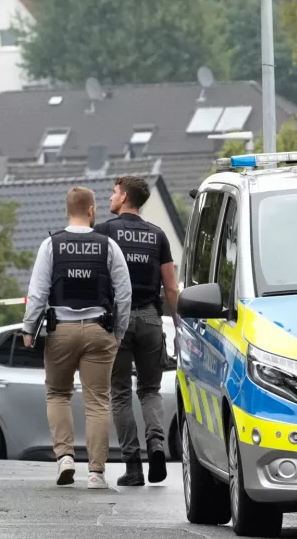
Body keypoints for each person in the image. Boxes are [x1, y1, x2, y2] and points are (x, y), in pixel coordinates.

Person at [21, 187, 131, 489]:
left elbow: (38, 292)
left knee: (58, 394)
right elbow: (124, 292)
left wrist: (29, 329)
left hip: (60, 331)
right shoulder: (108, 246)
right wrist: (119, 331)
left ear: (67, 210)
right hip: (99, 329)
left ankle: (65, 457)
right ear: (92, 210)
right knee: (98, 401)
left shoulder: (50, 245)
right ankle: (96, 473)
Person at [94, 176, 180, 486]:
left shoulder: (104, 232)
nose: (110, 197)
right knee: (149, 389)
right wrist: (180, 330)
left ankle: (132, 466)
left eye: (114, 192)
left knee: (119, 393)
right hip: (151, 319)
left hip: (117, 320)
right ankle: (156, 443)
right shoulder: (157, 235)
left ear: (125, 196)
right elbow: (171, 287)